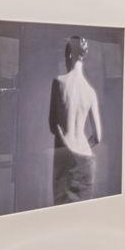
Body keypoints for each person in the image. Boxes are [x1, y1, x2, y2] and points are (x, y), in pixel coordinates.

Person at [49, 35, 102, 203]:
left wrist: (67, 143)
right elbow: (98, 137)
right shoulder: (90, 92)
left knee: (61, 212)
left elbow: (52, 125)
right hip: (87, 159)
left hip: (66, 154)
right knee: (83, 214)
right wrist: (82, 145)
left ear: (69, 55)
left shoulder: (59, 82)